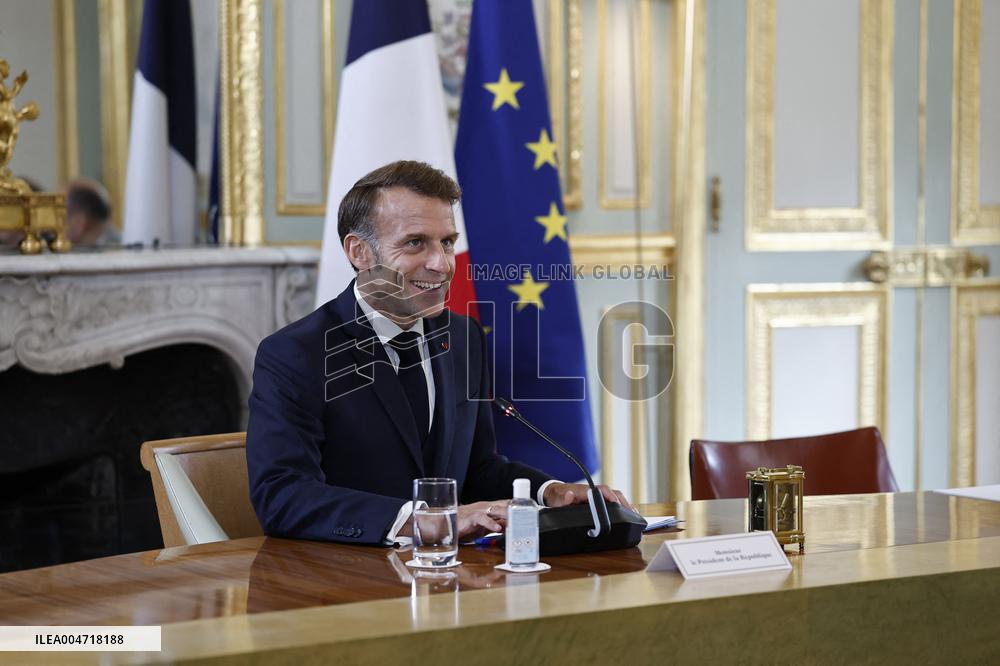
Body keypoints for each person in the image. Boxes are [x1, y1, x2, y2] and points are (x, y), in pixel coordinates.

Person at [247, 160, 631, 545]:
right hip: (343, 581)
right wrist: (419, 522)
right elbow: (282, 496)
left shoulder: (464, 337)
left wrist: (549, 493)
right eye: (416, 242)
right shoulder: (296, 354)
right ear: (359, 252)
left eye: (447, 242)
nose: (441, 264)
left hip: (452, 581)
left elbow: (476, 469)